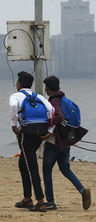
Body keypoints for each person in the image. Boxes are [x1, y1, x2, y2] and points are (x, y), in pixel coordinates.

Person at [42, 75, 90, 211]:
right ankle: (82, 190)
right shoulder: (64, 100)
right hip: (66, 141)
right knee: (65, 169)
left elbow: (59, 117)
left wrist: (47, 125)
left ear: (47, 88)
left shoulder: (54, 101)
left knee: (46, 170)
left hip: (55, 142)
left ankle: (50, 201)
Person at [9, 71, 54, 212]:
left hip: (26, 134)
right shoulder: (39, 96)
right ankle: (27, 199)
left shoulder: (15, 96)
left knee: (30, 167)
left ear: (19, 84)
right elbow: (52, 111)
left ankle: (40, 202)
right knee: (23, 163)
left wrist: (14, 126)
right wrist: (50, 131)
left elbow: (13, 108)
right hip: (39, 134)